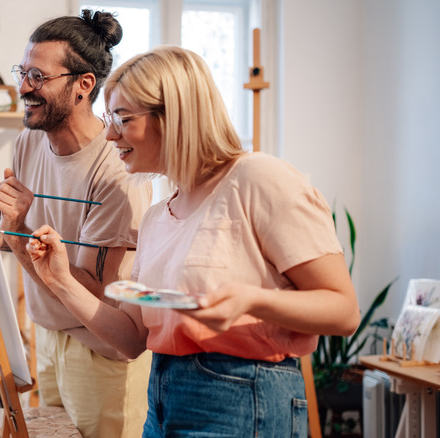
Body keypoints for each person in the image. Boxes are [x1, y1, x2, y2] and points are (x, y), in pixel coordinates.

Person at [24, 45, 360, 437]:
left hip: (242, 396)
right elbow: (133, 339)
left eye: (122, 118)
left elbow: (344, 311)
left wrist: (252, 301)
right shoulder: (156, 217)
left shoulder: (259, 179)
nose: (110, 134)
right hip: (164, 400)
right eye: (108, 118)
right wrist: (60, 280)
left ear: (175, 116)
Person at [0, 10, 154, 438]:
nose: (24, 87)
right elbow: (17, 241)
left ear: (83, 85)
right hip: (48, 335)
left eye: (38, 76)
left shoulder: (115, 172)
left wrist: (19, 230)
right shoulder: (29, 142)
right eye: (22, 72)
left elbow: (93, 290)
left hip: (101, 352)